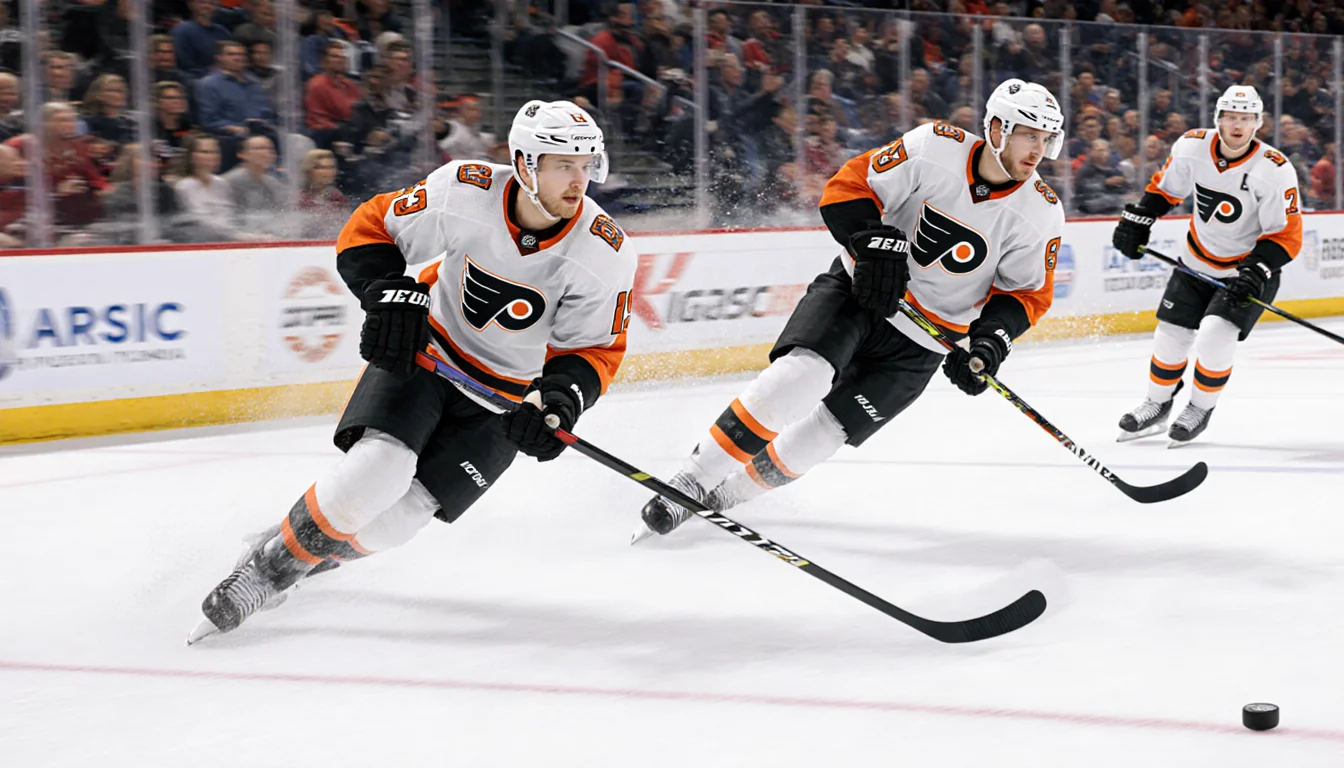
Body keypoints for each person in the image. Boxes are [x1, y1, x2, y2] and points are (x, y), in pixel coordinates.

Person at [190, 100, 635, 640]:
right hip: (428, 355)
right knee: (379, 470)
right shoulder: (466, 190)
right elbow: (372, 226)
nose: (580, 181)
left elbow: (594, 349)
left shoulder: (604, 251)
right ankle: (265, 574)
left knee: (400, 521)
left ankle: (300, 554)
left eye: (587, 165)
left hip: (504, 400)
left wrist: (559, 400)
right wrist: (388, 295)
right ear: (524, 164)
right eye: (564, 165)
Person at [635, 79, 1066, 540]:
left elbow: (1025, 294)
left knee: (826, 433)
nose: (1038, 150)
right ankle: (692, 481)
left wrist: (990, 341)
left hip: (924, 342)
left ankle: (725, 498)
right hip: (860, 294)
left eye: (1046, 139)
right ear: (997, 129)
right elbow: (850, 185)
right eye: (1029, 135)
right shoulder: (934, 146)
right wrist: (872, 243)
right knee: (800, 377)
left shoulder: (1040, 213)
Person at [1112, 86, 1303, 445]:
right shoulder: (1192, 147)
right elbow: (1166, 189)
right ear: (1218, 119)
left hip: (1245, 273)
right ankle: (1157, 404)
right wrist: (1140, 218)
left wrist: (1256, 270)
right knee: (1170, 335)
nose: (1237, 125)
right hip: (1195, 263)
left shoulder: (1274, 169)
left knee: (1216, 335)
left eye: (1245, 118)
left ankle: (1199, 408)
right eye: (1230, 117)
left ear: (1258, 123)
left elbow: (1286, 236)